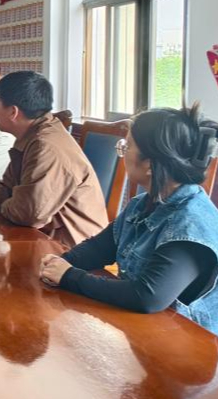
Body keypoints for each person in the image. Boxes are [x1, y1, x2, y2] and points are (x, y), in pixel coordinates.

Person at [39, 105, 218, 335]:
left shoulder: (191, 223)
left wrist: (69, 276)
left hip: (191, 343)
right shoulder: (143, 203)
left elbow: (147, 296)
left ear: (150, 164)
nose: (122, 152)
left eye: (128, 146)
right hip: (149, 330)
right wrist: (60, 263)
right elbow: (99, 248)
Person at [0, 71, 107, 247]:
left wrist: (8, 202)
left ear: (13, 112)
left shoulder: (46, 146)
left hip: (71, 248)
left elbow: (30, 213)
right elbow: (6, 189)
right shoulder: (31, 136)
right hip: (42, 237)